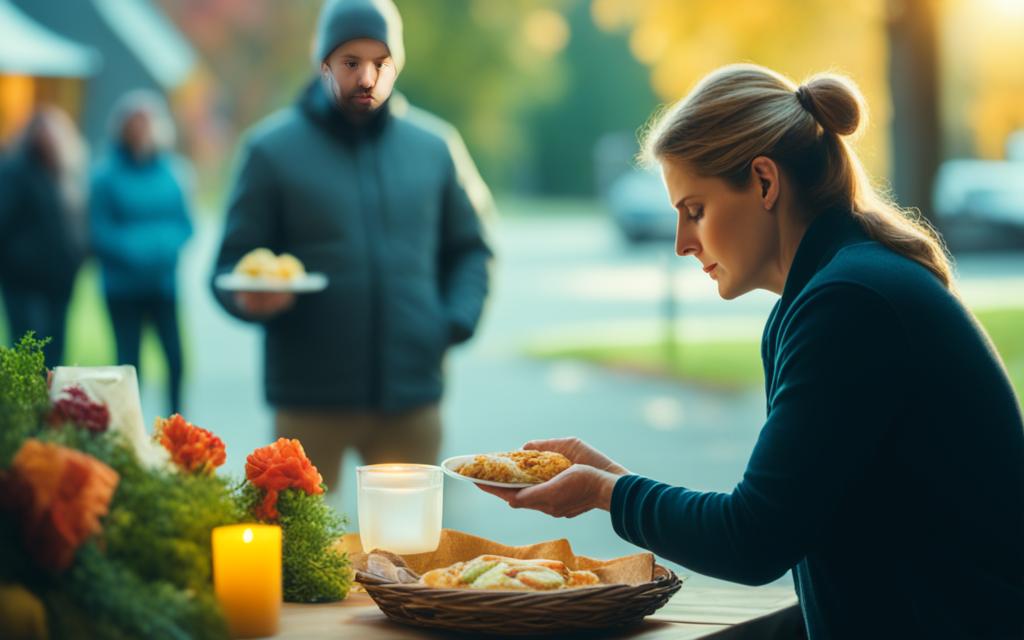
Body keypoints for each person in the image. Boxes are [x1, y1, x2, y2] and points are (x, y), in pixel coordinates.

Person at [482, 64, 1024, 639]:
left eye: (695, 211)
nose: (682, 243)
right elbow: (793, 525)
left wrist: (603, 491)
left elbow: (753, 539)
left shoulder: (849, 304)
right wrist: (613, 478)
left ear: (765, 182)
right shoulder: (837, 288)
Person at [210, 0, 493, 493]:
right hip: (308, 399)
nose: (366, 77)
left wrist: (451, 322)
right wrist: (247, 300)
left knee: (413, 556)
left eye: (380, 62)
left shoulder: (435, 147)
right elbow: (230, 266)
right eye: (350, 61)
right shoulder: (270, 150)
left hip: (413, 398)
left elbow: (471, 248)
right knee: (301, 550)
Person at [89, 91, 193, 415]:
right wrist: (138, 251)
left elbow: (185, 224)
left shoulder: (172, 172)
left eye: (146, 123)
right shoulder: (105, 175)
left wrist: (162, 248)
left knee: (176, 359)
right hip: (123, 288)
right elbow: (99, 232)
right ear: (121, 127)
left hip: (163, 285)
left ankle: (177, 427)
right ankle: (130, 427)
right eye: (134, 123)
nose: (141, 130)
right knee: (130, 363)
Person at [0, 106, 88, 367]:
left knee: (56, 347)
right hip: (25, 281)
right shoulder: (14, 172)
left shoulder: (66, 173)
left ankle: (53, 406)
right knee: (29, 347)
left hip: (60, 278)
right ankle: (28, 407)